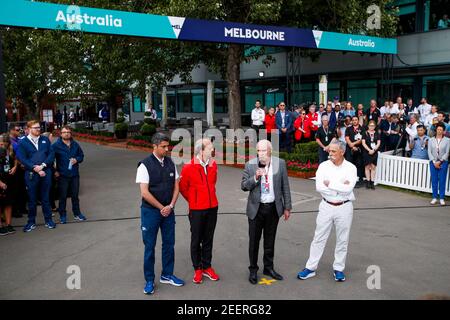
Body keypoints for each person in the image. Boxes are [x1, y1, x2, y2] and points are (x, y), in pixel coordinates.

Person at [297, 139, 357, 282]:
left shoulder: (351, 168)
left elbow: (348, 189)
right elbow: (320, 187)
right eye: (329, 150)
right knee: (319, 237)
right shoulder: (323, 166)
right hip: (326, 206)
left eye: (333, 151)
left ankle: (338, 269)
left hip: (345, 207)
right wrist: (339, 187)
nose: (330, 153)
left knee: (342, 239)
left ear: (342, 152)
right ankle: (310, 268)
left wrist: (330, 184)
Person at [136, 132, 185, 295]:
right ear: (154, 146)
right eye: (163, 147)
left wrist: (170, 206)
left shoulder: (171, 163)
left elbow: (176, 186)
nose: (167, 149)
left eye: (167, 146)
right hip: (151, 212)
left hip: (168, 211)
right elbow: (144, 192)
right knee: (150, 246)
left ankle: (167, 274)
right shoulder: (144, 165)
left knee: (169, 244)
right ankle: (149, 280)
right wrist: (161, 207)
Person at [241, 139, 291, 285]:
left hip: (273, 208)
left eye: (264, 150)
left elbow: (285, 187)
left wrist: (287, 207)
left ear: (270, 151)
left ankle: (268, 268)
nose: (261, 153)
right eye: (259, 151)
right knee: (254, 242)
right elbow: (244, 186)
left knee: (270, 241)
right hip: (256, 209)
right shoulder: (250, 165)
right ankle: (253, 270)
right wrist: (255, 177)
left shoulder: (280, 164)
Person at [179, 138, 220, 284]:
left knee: (208, 238)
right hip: (196, 210)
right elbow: (183, 188)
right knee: (196, 240)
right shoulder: (188, 167)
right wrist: (194, 200)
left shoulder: (213, 165)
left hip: (212, 207)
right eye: (210, 148)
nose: (213, 150)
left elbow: (213, 183)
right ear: (201, 150)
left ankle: (207, 266)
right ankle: (197, 268)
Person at [16, 120, 56, 232]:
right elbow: (22, 158)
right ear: (28, 129)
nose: (38, 129)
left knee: (46, 198)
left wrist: (43, 166)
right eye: (35, 128)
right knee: (32, 200)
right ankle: (31, 222)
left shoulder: (45, 140)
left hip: (46, 172)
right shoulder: (22, 142)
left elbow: (51, 154)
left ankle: (48, 220)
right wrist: (35, 168)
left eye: (39, 127)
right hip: (31, 174)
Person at [52, 126, 87, 224]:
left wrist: (77, 159)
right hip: (62, 175)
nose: (66, 134)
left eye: (68, 132)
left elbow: (81, 156)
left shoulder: (75, 144)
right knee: (62, 197)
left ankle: (77, 213)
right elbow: (50, 159)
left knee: (75, 196)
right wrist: (55, 171)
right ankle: (62, 215)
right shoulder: (56, 145)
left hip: (74, 174)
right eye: (64, 132)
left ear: (71, 134)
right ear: (61, 134)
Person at [0, 134, 18, 236]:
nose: (3, 145)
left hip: (9, 179)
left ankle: (8, 224)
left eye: (5, 143)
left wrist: (15, 167)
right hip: (0, 180)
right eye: (1, 143)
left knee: (8, 203)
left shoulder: (10, 150)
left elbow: (16, 159)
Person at [428, 123, 450, 206]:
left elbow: (447, 152)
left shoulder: (447, 140)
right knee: (434, 180)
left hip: (443, 162)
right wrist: (434, 162)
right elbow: (429, 152)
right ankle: (434, 197)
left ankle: (441, 198)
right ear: (436, 130)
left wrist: (440, 162)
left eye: (441, 130)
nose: (439, 131)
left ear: (443, 131)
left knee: (442, 180)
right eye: (438, 129)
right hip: (433, 162)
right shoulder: (430, 140)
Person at [345, 116, 365, 187]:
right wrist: (352, 146)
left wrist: (354, 144)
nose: (354, 121)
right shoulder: (348, 128)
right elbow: (347, 138)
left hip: (359, 149)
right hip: (349, 149)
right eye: (353, 120)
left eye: (356, 120)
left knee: (359, 164)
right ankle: (350, 180)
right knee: (349, 164)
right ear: (351, 121)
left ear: (358, 121)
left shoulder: (362, 129)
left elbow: (362, 139)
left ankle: (360, 180)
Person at [361, 121, 381, 189]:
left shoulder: (377, 133)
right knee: (367, 167)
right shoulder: (365, 133)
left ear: (375, 126)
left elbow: (378, 143)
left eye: (373, 126)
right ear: (368, 126)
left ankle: (372, 182)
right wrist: (369, 150)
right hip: (366, 152)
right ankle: (368, 182)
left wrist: (374, 150)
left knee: (373, 167)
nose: (371, 127)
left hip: (374, 152)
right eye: (370, 125)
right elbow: (363, 143)